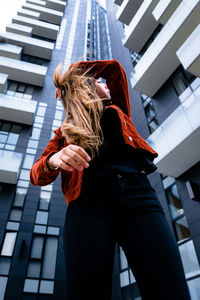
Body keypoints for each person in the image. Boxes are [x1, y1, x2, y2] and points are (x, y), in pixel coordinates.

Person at [30, 59, 191, 300]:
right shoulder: (65, 133)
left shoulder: (118, 109)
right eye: (96, 82)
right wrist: (55, 160)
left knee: (170, 290)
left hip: (140, 200)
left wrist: (74, 73)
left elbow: (114, 69)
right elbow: (36, 175)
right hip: (88, 207)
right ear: (86, 89)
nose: (103, 83)